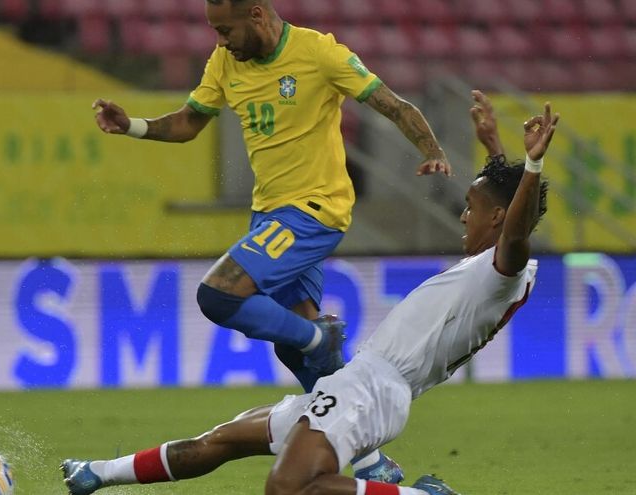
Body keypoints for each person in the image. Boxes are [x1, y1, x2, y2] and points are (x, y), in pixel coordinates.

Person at [63, 93, 559, 495]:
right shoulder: (490, 265)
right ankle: (98, 474)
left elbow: (515, 231)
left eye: (472, 207)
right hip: (360, 381)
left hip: (373, 390)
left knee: (291, 488)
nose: (464, 215)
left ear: (499, 218)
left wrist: (533, 164)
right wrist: (496, 150)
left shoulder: (506, 270)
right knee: (222, 441)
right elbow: (506, 210)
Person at [92, 0, 451, 397]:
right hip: (268, 213)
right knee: (295, 349)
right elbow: (189, 123)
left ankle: (321, 338)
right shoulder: (225, 63)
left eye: (225, 30)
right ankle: (360, 433)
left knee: (218, 295)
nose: (220, 41)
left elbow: (394, 106)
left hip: (314, 210)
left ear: (256, 15)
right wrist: (132, 126)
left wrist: (432, 150)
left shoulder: (319, 53)